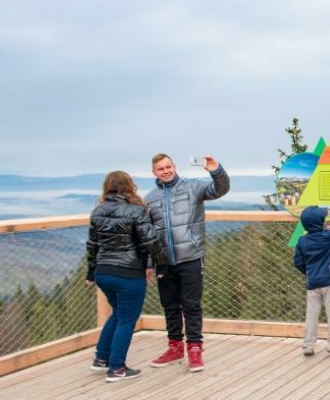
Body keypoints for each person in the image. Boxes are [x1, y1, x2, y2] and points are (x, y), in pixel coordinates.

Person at [145, 153, 231, 372]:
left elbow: (220, 189)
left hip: (191, 257)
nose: (166, 171)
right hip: (163, 262)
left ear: (174, 166)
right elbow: (147, 236)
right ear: (154, 172)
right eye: (160, 168)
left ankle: (194, 349)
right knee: (170, 306)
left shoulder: (193, 187)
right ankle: (174, 347)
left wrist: (216, 170)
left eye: (168, 166)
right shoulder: (150, 199)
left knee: (191, 305)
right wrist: (148, 263)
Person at [86, 171, 166, 382]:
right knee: (127, 320)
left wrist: (90, 272)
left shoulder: (98, 212)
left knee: (119, 314)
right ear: (130, 186)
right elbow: (150, 241)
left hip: (104, 273)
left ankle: (101, 359)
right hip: (128, 274)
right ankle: (117, 368)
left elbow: (92, 246)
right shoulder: (137, 211)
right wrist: (162, 263)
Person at [293, 194, 330, 357]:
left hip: (313, 284)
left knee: (312, 315)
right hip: (329, 283)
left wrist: (309, 273)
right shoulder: (328, 237)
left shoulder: (302, 241)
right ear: (320, 222)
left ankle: (308, 346)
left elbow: (298, 262)